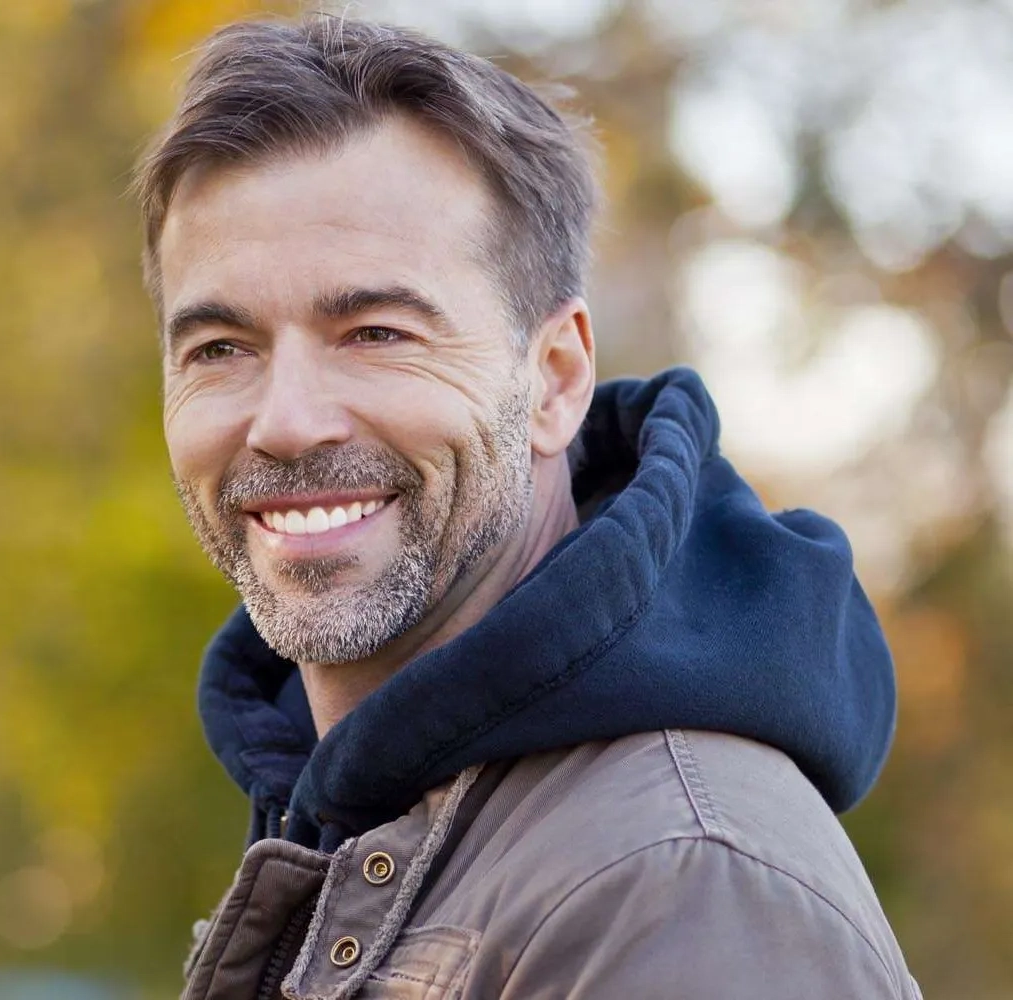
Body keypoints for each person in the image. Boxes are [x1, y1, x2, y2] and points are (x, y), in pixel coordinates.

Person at [134, 16, 919, 1000]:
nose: (283, 424)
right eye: (218, 349)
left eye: (375, 332)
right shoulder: (362, 813)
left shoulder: (681, 882)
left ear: (552, 382)